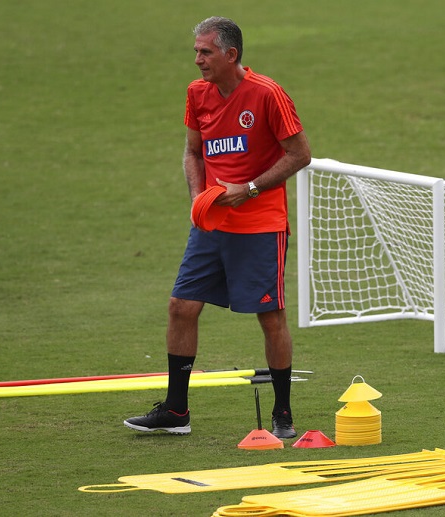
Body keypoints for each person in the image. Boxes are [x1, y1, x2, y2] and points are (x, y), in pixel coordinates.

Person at [124, 16, 311, 439]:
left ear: (231, 54)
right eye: (195, 51)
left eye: (205, 52)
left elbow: (300, 154)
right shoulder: (198, 94)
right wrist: (198, 197)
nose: (197, 60)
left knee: (270, 315)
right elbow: (193, 152)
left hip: (261, 224)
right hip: (211, 223)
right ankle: (176, 411)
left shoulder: (267, 94)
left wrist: (247, 189)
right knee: (181, 307)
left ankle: (282, 413)